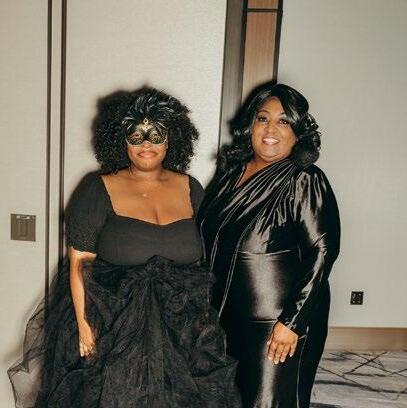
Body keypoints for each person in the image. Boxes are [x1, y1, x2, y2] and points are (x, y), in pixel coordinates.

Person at [8, 87, 241, 407]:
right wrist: (84, 327)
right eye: (136, 135)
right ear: (121, 140)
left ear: (171, 139)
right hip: (113, 325)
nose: (146, 144)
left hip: (183, 326)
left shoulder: (191, 187)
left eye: (156, 134)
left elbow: (208, 258)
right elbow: (78, 263)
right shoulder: (97, 188)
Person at [197, 82, 340, 408]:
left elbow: (322, 251)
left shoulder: (305, 179)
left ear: (298, 132)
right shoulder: (230, 173)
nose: (271, 129)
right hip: (225, 316)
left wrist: (292, 322)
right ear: (250, 124)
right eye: (263, 118)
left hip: (276, 322)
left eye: (284, 121)